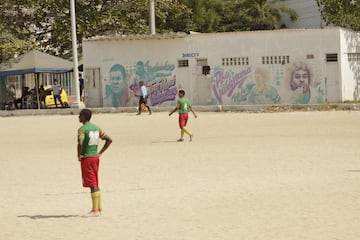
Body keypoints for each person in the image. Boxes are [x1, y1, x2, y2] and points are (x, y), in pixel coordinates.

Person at [77, 109, 112, 216]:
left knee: (92, 183)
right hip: (95, 157)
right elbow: (109, 140)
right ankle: (99, 207)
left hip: (87, 158)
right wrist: (99, 152)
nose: (78, 117)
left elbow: (80, 142)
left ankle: (95, 210)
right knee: (95, 181)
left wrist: (79, 155)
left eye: (80, 115)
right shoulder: (96, 128)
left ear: (84, 117)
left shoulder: (82, 129)